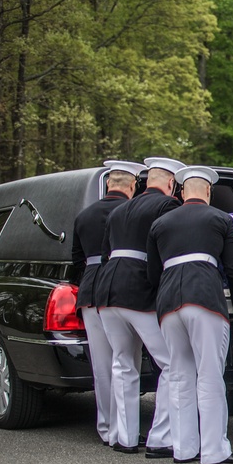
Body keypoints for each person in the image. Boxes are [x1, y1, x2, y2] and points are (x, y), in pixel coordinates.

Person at [146, 166, 233, 464]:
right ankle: (214, 451)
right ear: (208, 192)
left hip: (168, 303)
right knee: (209, 376)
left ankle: (183, 448)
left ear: (181, 192)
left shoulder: (161, 223)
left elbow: (152, 273)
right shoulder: (219, 219)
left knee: (179, 376)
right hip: (204, 298)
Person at [96, 156, 185, 455]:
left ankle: (124, 437)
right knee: (171, 362)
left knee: (123, 362)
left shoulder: (119, 210)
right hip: (140, 291)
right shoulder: (167, 207)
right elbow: (168, 250)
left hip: (108, 291)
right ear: (171, 183)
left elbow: (107, 252)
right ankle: (161, 437)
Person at [70, 160, 143, 445]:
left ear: (109, 183)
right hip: (123, 288)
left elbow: (77, 258)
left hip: (90, 290)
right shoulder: (130, 213)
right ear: (132, 186)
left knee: (102, 366)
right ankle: (126, 430)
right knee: (127, 361)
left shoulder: (84, 216)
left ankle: (106, 427)